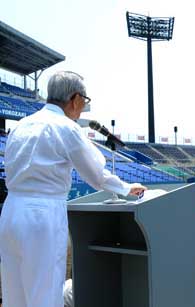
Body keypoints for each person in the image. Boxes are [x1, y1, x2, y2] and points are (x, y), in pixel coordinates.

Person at [0, 71, 147, 307]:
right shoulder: (65, 128)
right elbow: (97, 175)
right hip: (42, 215)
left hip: (10, 212)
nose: (82, 109)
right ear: (75, 99)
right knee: (44, 293)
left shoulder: (20, 126)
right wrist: (126, 187)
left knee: (14, 294)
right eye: (84, 103)